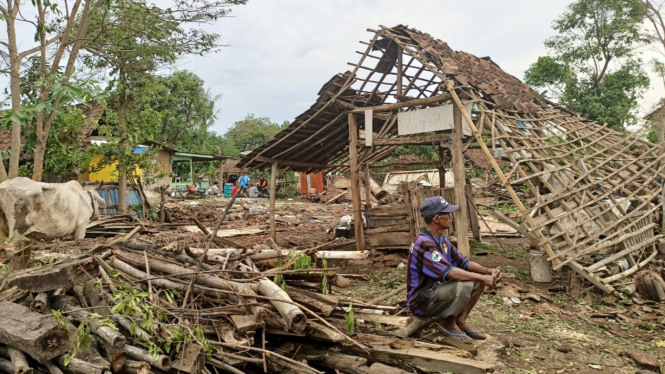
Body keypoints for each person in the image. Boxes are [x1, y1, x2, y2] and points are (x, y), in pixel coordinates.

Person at [407, 196, 501, 343]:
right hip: (422, 300)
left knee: (476, 281)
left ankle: (460, 321)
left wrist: (487, 271)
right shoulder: (424, 243)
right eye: (448, 214)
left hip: (437, 292)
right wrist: (480, 277)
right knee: (467, 282)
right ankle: (447, 323)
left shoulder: (442, 240)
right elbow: (449, 272)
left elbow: (463, 263)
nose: (451, 217)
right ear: (437, 218)